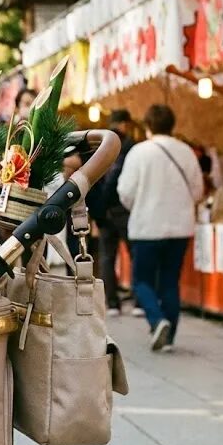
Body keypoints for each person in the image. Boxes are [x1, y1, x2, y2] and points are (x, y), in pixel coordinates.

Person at [117, 105, 203, 353]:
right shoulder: (186, 152)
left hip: (147, 226)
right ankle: (169, 335)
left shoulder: (138, 153)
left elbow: (125, 192)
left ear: (147, 126)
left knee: (141, 280)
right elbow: (197, 191)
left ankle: (157, 320)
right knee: (170, 280)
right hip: (180, 227)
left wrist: (140, 204)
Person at [97, 109, 136, 316]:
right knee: (133, 252)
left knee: (107, 256)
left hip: (105, 210)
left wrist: (99, 209)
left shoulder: (100, 143)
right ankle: (138, 301)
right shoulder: (129, 146)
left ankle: (112, 302)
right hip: (123, 207)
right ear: (124, 124)